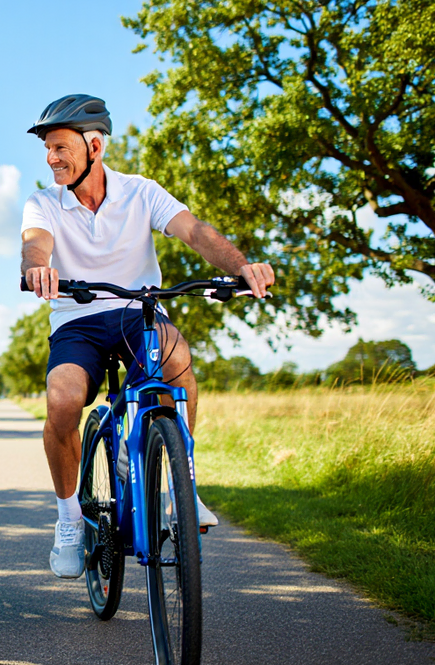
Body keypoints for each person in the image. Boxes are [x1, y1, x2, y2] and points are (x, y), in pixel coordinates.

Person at [20, 94, 275, 579]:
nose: (51, 158)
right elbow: (36, 247)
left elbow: (196, 232)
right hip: (77, 320)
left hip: (138, 313)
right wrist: (37, 271)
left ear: (94, 146)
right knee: (63, 399)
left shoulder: (141, 192)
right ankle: (69, 518)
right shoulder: (43, 203)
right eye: (48, 149)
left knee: (177, 356)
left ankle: (184, 486)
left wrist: (242, 266)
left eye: (60, 147)